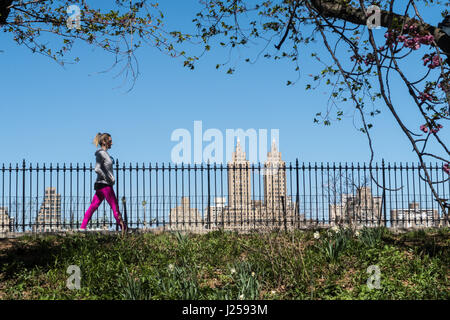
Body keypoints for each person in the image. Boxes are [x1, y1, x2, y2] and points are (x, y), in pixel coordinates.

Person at [80, 132, 127, 233]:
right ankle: (124, 229)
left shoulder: (104, 154)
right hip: (105, 185)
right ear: (104, 142)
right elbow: (97, 169)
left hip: (101, 185)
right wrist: (108, 178)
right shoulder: (101, 153)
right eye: (110, 141)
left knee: (93, 206)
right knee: (115, 207)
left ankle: (82, 227)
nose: (112, 143)